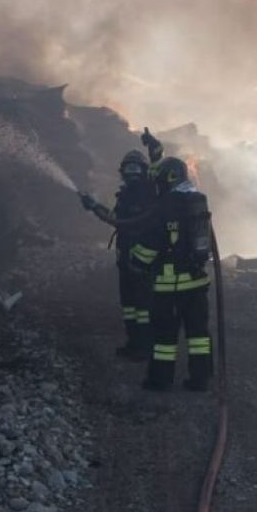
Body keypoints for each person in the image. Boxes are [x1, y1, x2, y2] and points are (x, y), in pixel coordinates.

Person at [126, 157, 213, 391]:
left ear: (167, 178)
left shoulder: (164, 207)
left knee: (164, 338)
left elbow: (151, 246)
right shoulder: (196, 200)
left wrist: (135, 259)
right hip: (197, 283)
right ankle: (200, 380)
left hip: (169, 288)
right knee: (199, 337)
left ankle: (160, 381)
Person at [80, 150, 158, 360]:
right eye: (128, 168)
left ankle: (144, 347)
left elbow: (130, 223)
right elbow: (115, 219)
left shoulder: (149, 194)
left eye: (136, 168)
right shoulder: (125, 196)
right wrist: (95, 207)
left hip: (142, 262)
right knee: (129, 306)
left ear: (144, 170)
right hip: (125, 260)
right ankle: (133, 343)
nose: (132, 173)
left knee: (143, 306)